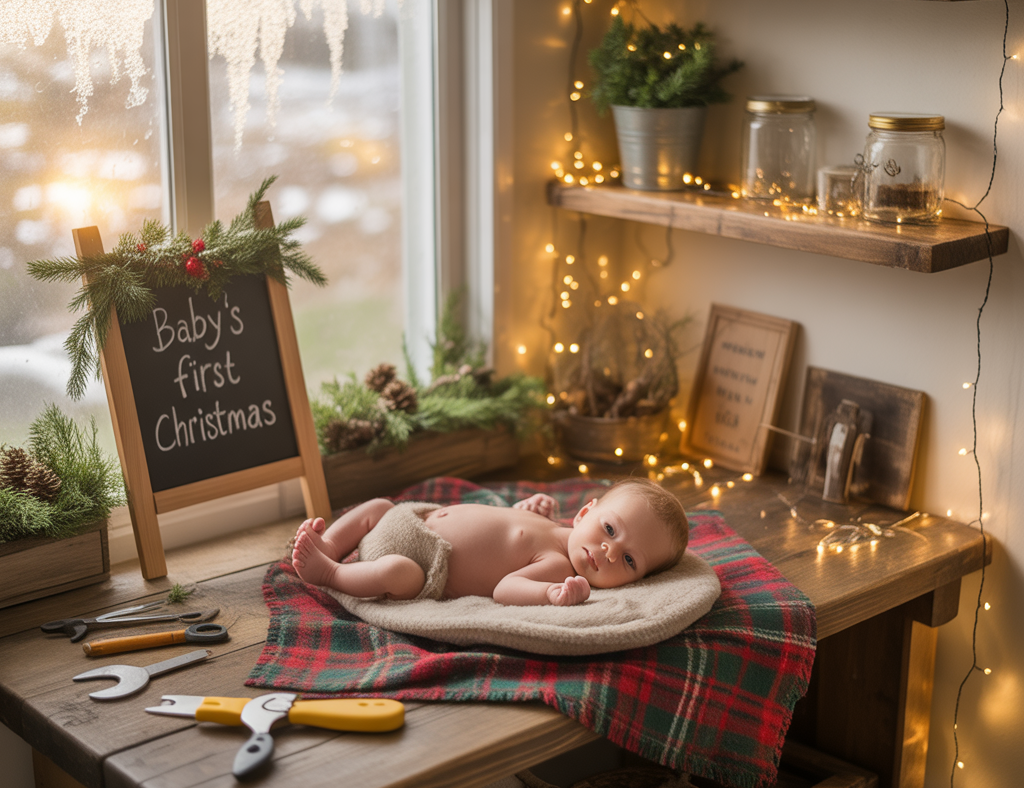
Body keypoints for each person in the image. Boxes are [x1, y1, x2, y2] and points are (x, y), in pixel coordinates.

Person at [291, 477, 689, 607]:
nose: (609, 552)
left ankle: (330, 572)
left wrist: (550, 594)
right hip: (412, 519)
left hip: (422, 563)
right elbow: (504, 531)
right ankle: (330, 544)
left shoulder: (558, 567)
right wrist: (526, 508)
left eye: (630, 561)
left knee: (396, 572)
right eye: (610, 530)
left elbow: (504, 588)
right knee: (379, 506)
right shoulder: (551, 526)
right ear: (584, 513)